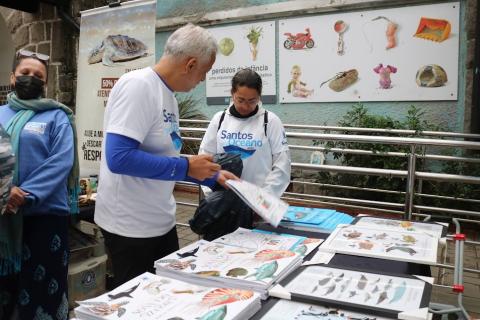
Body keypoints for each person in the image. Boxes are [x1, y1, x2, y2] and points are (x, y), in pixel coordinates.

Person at [94, 23, 237, 288]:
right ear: (190, 64)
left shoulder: (168, 95)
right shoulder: (138, 86)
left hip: (160, 219)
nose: (202, 80)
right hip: (130, 227)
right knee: (138, 303)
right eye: (204, 72)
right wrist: (185, 167)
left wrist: (213, 176)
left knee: (168, 295)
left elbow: (164, 156)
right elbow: (119, 158)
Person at [0, 49, 78, 320]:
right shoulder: (0, 114)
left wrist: (26, 194)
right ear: (12, 77)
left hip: (44, 216)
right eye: (25, 73)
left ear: (45, 83)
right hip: (3, 215)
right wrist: (4, 192)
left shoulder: (57, 117)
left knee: (43, 292)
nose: (30, 78)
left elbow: (60, 162)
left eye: (38, 76)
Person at [200, 68, 291, 200]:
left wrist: (264, 199)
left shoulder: (270, 121)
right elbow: (205, 156)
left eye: (251, 101)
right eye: (240, 100)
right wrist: (212, 193)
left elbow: (282, 165)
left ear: (259, 96)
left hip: (258, 201)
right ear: (232, 94)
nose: (245, 106)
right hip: (222, 199)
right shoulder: (219, 119)